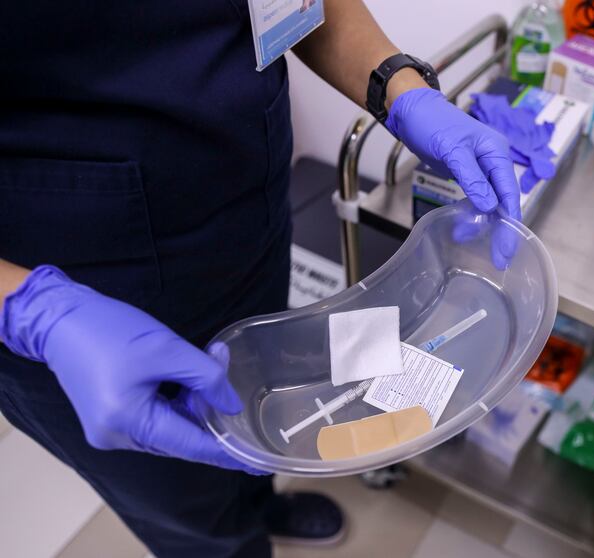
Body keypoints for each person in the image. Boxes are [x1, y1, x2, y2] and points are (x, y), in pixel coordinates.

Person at [0, 2, 521, 557]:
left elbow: (301, 6)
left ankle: (260, 500)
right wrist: (34, 313)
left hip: (245, 213)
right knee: (192, 511)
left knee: (263, 412)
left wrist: (395, 82)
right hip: (79, 295)